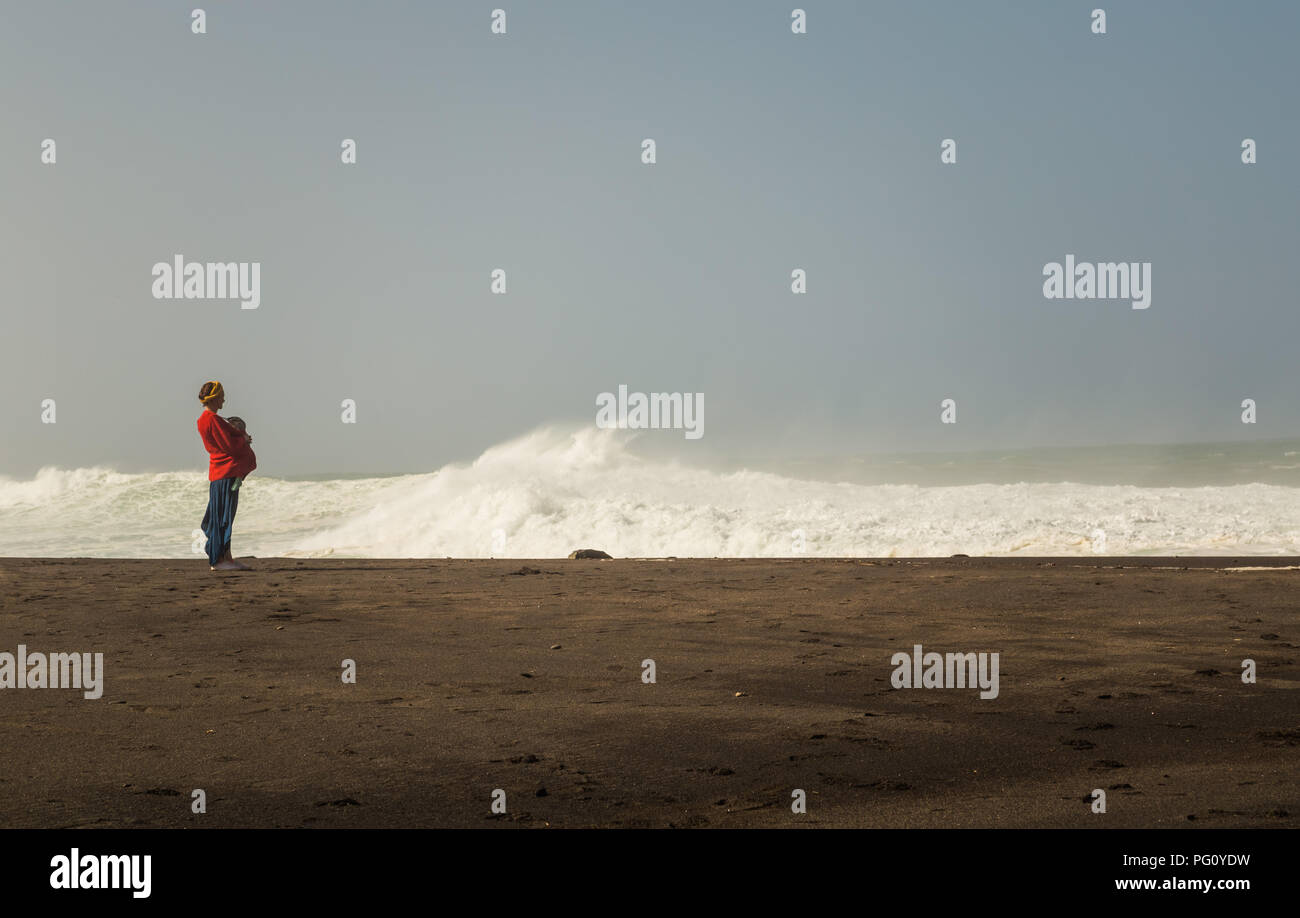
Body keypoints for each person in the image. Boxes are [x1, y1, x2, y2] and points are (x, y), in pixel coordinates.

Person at [196, 381, 257, 571]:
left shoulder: (207, 420)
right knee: (224, 516)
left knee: (221, 516)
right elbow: (229, 446)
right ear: (215, 398)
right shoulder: (212, 420)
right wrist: (244, 439)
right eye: (222, 396)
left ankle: (224, 558)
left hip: (219, 473)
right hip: (225, 473)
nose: (224, 399)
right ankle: (221, 560)